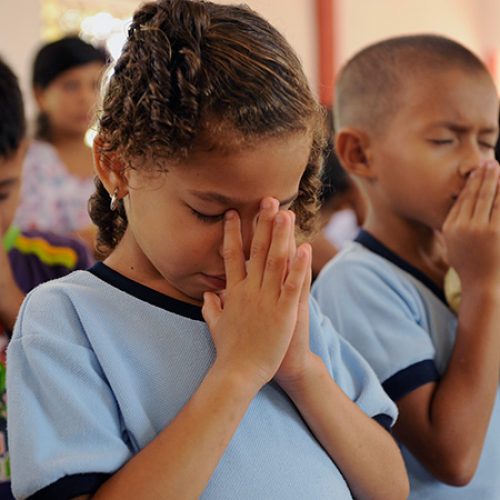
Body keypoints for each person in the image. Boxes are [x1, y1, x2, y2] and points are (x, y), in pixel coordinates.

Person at [6, 1, 409, 498]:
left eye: (273, 210)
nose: (241, 247)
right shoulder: (68, 320)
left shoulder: (279, 306)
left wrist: (300, 369)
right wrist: (238, 372)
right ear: (116, 165)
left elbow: (389, 487)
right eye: (210, 213)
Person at [312, 34, 500, 498]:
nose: (476, 164)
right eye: (445, 139)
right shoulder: (357, 282)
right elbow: (452, 459)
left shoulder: (471, 261)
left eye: (488, 141)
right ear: (359, 153)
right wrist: (484, 288)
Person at [0, 56, 94, 499]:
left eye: (2, 192)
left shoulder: (61, 264)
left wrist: (10, 297)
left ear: (23, 159)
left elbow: (89, 390)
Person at [13, 35, 107, 250]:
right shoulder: (25, 161)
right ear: (40, 95)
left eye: (94, 85)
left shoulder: (112, 160)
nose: (85, 97)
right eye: (71, 86)